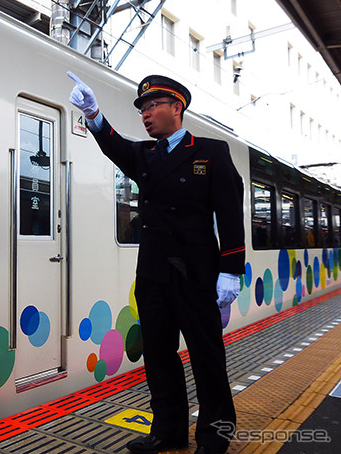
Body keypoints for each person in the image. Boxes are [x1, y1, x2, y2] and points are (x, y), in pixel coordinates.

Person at [68, 72, 245, 454]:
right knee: (159, 356)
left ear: (176, 108)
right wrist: (94, 114)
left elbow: (230, 214)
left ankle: (215, 436)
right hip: (153, 275)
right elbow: (115, 146)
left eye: (152, 106)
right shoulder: (145, 156)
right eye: (142, 108)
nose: (145, 115)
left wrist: (232, 269)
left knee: (206, 358)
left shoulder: (212, 152)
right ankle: (168, 431)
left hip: (197, 275)